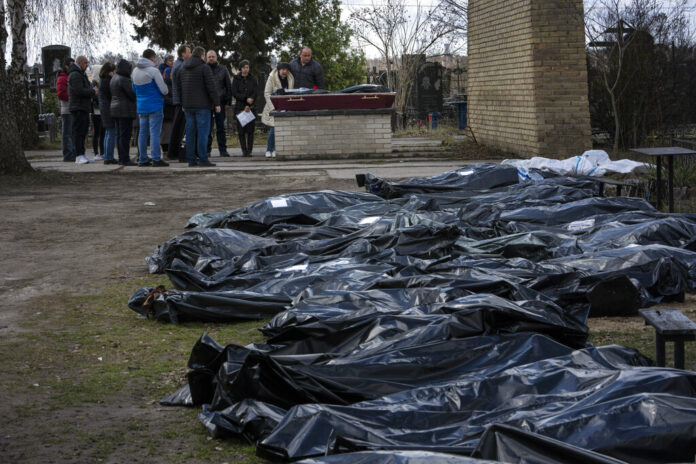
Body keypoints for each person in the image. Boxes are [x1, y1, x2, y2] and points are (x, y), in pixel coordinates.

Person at [174, 46, 219, 167]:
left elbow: (179, 88)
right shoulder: (204, 67)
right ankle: (203, 159)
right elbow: (211, 87)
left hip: (188, 106)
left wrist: (183, 103)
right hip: (202, 106)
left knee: (190, 133)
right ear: (202, 56)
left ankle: (191, 159)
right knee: (203, 133)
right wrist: (217, 103)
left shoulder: (182, 68)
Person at [132, 48, 169, 167]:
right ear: (152, 58)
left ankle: (142, 158)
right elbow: (164, 90)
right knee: (154, 133)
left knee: (142, 133)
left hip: (141, 106)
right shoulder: (154, 71)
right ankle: (156, 158)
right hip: (155, 105)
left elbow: (134, 89)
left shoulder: (135, 71)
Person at [68, 55, 97, 164]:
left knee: (83, 131)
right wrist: (92, 92)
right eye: (85, 63)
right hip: (78, 107)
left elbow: (87, 87)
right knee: (78, 132)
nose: (87, 65)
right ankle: (78, 155)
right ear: (80, 63)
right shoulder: (75, 75)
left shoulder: (81, 74)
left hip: (83, 107)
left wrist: (92, 90)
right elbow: (79, 90)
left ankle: (82, 154)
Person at [262, 62, 294, 158]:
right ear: (279, 70)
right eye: (283, 69)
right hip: (274, 107)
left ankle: (276, 149)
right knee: (273, 129)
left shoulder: (290, 79)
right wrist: (273, 107)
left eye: (286, 70)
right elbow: (267, 93)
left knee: (281, 129)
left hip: (285, 107)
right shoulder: (272, 77)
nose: (285, 72)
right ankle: (269, 149)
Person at [110, 59, 137, 166]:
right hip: (125, 110)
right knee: (125, 135)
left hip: (115, 109)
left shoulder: (114, 78)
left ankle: (122, 157)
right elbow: (131, 94)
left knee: (119, 135)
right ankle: (125, 158)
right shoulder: (124, 79)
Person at [206, 50, 232, 157]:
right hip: (207, 103)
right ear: (206, 58)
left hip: (220, 102)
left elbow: (228, 86)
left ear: (216, 57)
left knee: (220, 126)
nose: (211, 58)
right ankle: (207, 150)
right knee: (207, 128)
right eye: (209, 57)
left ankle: (223, 150)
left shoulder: (223, 69)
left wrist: (228, 102)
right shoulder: (204, 69)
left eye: (213, 56)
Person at [169, 44, 192, 162]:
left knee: (177, 127)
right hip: (182, 102)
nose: (191, 54)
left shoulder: (178, 65)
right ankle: (179, 153)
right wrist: (184, 102)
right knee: (181, 128)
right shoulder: (181, 66)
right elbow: (181, 86)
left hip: (179, 101)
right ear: (183, 54)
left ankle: (173, 152)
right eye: (189, 52)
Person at [231, 59, 258, 157]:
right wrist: (245, 99)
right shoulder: (236, 79)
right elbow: (234, 93)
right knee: (241, 131)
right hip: (240, 107)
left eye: (247, 67)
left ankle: (250, 150)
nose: (246, 69)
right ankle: (244, 150)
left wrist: (251, 100)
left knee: (250, 130)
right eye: (244, 68)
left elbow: (255, 91)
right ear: (241, 68)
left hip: (251, 107)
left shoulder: (253, 78)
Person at [98, 62, 117, 165]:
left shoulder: (102, 80)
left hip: (104, 109)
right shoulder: (107, 81)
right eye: (113, 71)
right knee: (111, 132)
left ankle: (107, 155)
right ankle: (109, 157)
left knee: (108, 133)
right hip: (108, 109)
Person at [56, 57, 75, 162]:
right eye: (71, 65)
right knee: (67, 134)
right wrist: (73, 96)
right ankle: (68, 154)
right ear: (66, 66)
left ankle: (72, 152)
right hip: (66, 109)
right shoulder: (62, 78)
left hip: (71, 108)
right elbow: (61, 94)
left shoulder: (69, 76)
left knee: (71, 133)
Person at [90, 66, 105, 160]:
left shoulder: (99, 83)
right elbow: (94, 97)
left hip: (101, 111)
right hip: (96, 112)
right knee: (97, 133)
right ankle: (96, 153)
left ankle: (102, 152)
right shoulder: (94, 84)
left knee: (102, 133)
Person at [160, 66, 175, 158]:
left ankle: (170, 152)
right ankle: (165, 152)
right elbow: (164, 99)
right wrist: (175, 101)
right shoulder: (164, 85)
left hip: (172, 112)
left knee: (171, 133)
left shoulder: (174, 84)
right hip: (167, 113)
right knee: (166, 134)